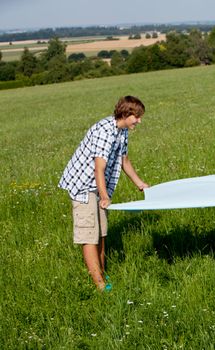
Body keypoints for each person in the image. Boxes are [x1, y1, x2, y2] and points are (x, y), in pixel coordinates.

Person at [59, 96, 149, 290]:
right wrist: (105, 195)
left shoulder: (122, 130)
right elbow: (98, 168)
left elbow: (124, 160)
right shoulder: (105, 132)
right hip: (83, 185)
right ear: (126, 114)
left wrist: (140, 184)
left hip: (98, 185)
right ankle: (100, 285)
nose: (139, 121)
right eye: (137, 117)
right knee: (89, 235)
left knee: (101, 232)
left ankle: (102, 274)